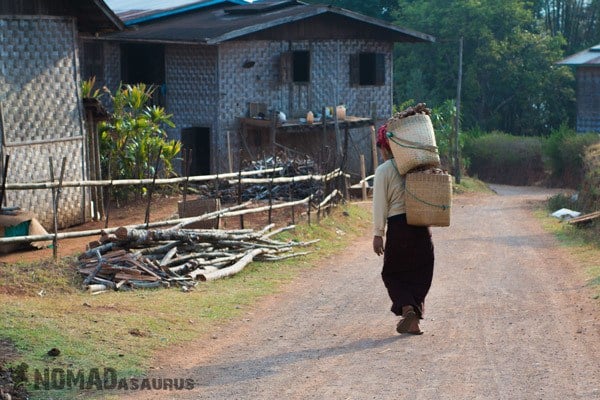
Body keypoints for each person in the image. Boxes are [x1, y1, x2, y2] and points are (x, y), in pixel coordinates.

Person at [372, 124, 435, 335]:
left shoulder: (383, 171)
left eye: (381, 147)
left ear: (386, 147)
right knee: (421, 271)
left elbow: (379, 204)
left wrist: (378, 234)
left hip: (399, 229)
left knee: (392, 273)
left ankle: (408, 308)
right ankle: (414, 321)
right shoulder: (418, 167)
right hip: (421, 228)